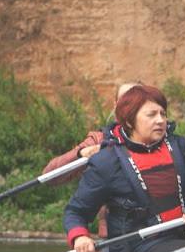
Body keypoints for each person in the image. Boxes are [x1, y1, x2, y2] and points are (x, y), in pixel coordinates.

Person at [64, 85, 185, 252]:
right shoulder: (107, 161)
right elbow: (75, 211)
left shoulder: (178, 145)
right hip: (139, 247)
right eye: (151, 115)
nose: (160, 120)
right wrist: (80, 236)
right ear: (129, 122)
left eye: (163, 113)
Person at [42, 82, 141, 239]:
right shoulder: (99, 139)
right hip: (116, 237)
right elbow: (50, 175)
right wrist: (81, 154)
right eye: (126, 100)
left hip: (159, 231)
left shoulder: (162, 137)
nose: (132, 105)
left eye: (138, 99)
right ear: (116, 106)